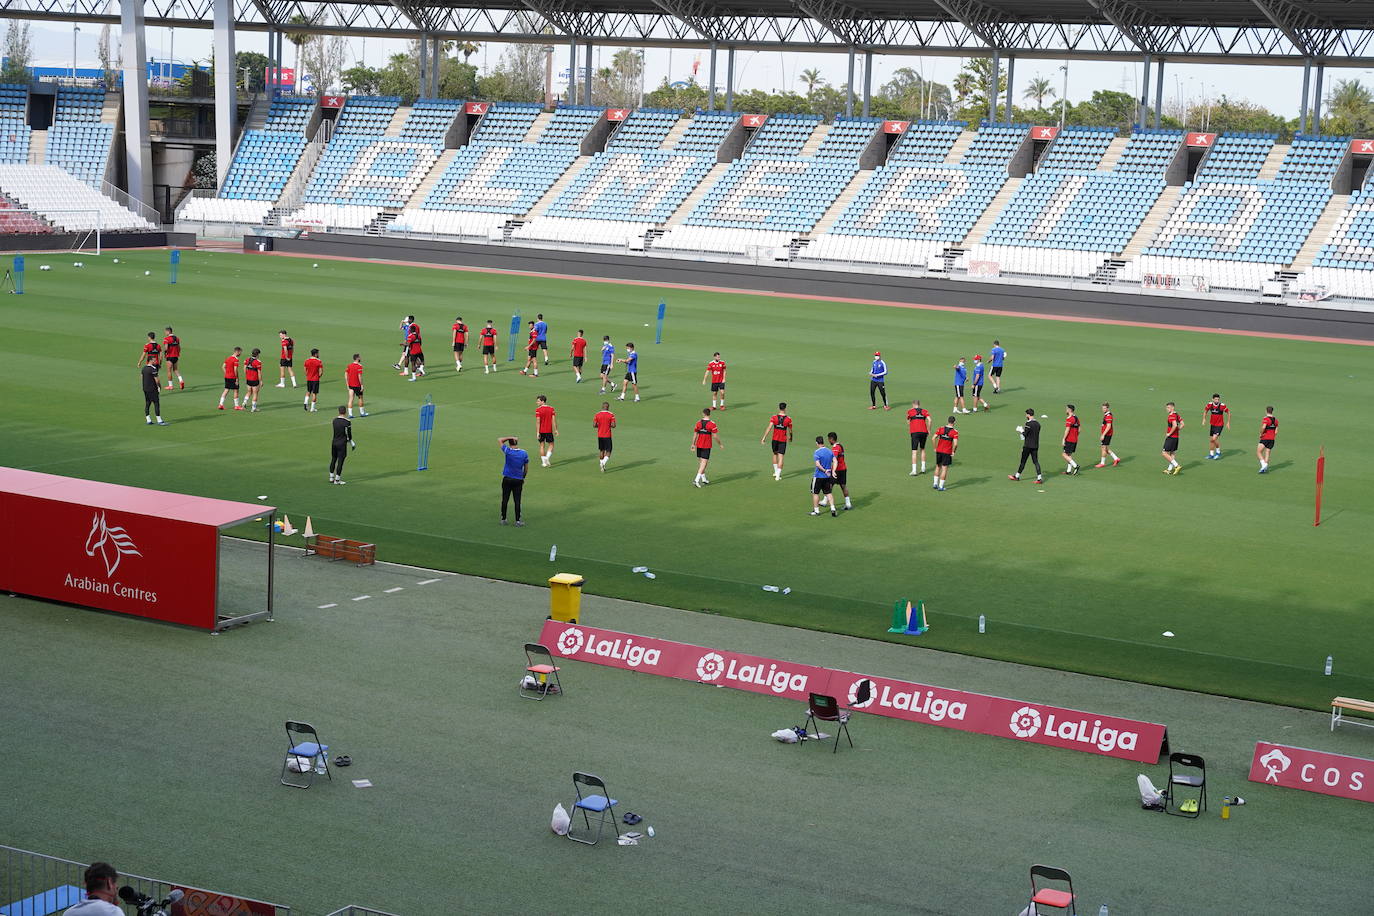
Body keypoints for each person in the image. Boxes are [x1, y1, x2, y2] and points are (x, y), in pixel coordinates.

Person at [498, 435, 528, 525]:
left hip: (507, 478)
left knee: (505, 499)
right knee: (517, 500)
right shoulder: (524, 453)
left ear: (510, 443)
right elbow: (526, 468)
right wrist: (523, 477)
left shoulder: (508, 451)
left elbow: (500, 440)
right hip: (518, 479)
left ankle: (503, 519)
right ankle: (518, 521)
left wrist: (510, 437)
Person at [761, 402, 793, 481]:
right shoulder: (788, 419)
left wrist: (764, 438)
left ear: (779, 408)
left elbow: (769, 428)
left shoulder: (774, 417)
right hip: (782, 440)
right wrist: (791, 437)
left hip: (774, 439)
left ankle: (775, 472)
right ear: (785, 408)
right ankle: (778, 476)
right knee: (781, 456)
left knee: (775, 454)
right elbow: (790, 430)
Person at [1008, 409, 1042, 482]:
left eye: (1026, 414)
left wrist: (1020, 430)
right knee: (1036, 461)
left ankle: (1017, 476)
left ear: (1028, 415)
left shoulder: (1028, 424)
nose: (1026, 416)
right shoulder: (1038, 424)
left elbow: (1025, 435)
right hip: (1035, 445)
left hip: (1027, 446)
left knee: (1023, 461)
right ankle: (1039, 478)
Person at [691, 408, 721, 487]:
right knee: (704, 463)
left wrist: (693, 444)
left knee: (702, 463)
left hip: (699, 445)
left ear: (703, 414)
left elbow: (695, 434)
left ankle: (704, 479)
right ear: (709, 414)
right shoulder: (712, 424)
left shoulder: (698, 423)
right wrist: (720, 444)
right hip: (706, 445)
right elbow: (715, 436)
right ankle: (696, 480)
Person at [809, 436, 838, 517]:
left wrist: (824, 470)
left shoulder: (817, 452)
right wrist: (833, 471)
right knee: (828, 493)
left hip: (818, 476)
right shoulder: (829, 451)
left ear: (816, 443)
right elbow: (835, 461)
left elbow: (817, 464)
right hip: (827, 477)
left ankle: (816, 511)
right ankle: (833, 508)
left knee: (815, 493)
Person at [932, 415, 958, 491]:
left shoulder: (941, 429)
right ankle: (941, 487)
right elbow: (955, 444)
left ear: (948, 421)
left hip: (939, 451)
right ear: (954, 422)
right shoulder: (955, 432)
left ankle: (935, 484)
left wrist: (935, 448)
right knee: (944, 469)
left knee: (937, 467)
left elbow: (933, 438)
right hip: (947, 452)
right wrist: (953, 451)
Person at [827, 432, 852, 510]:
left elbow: (834, 458)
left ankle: (825, 501)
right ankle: (848, 503)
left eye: (829, 439)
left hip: (836, 470)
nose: (828, 441)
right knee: (843, 486)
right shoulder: (840, 445)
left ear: (831, 439)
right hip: (843, 468)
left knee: (829, 485)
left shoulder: (835, 447)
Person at [329, 406, 353, 484]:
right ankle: (337, 480)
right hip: (342, 443)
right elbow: (349, 434)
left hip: (334, 442)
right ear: (345, 412)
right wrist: (350, 440)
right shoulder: (347, 422)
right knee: (340, 461)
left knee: (333, 459)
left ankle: (331, 477)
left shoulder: (334, 420)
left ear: (339, 411)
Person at [907, 399, 930, 475]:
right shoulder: (924, 411)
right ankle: (923, 468)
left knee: (914, 451)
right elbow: (930, 420)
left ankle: (914, 470)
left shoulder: (910, 411)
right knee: (922, 449)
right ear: (919, 404)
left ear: (913, 404)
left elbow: (908, 421)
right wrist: (928, 430)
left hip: (915, 432)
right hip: (924, 432)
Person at [1204, 393, 1231, 459]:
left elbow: (1229, 413)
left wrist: (1228, 422)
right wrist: (1204, 419)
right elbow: (1205, 411)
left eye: (1218, 399)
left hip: (1219, 425)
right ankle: (1211, 454)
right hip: (1212, 424)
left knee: (1214, 439)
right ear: (1213, 399)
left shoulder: (1222, 406)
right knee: (1211, 440)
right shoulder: (1209, 404)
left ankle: (1218, 452)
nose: (1217, 401)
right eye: (1215, 399)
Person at [535, 394, 558, 466]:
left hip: (541, 431)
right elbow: (554, 420)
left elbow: (538, 422)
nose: (537, 402)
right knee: (551, 445)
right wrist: (556, 430)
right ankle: (547, 458)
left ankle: (544, 462)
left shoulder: (538, 410)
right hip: (549, 430)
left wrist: (537, 432)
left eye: (538, 401)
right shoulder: (551, 409)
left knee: (542, 446)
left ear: (542, 401)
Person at [1095, 402, 1120, 468]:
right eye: (1102, 408)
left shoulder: (1108, 416)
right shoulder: (1106, 415)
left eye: (1104, 408)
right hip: (1107, 434)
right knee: (1105, 448)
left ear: (1108, 408)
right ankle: (1116, 458)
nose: (1103, 409)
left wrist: (1103, 435)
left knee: (1103, 448)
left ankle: (1102, 463)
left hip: (1107, 434)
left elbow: (1108, 426)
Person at [593, 401, 616, 471]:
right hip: (607, 436)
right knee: (609, 451)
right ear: (608, 407)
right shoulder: (611, 415)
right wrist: (609, 425)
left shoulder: (597, 414)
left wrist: (599, 425)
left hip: (600, 436)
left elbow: (594, 425)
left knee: (601, 451)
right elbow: (614, 425)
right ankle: (603, 463)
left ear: (602, 407)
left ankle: (602, 466)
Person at [1162, 401, 1183, 475]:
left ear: (1172, 407)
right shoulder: (1176, 415)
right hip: (1176, 437)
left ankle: (1177, 465)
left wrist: (1169, 433)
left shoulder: (1171, 416)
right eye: (1166, 407)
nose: (1166, 409)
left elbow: (1174, 425)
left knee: (1164, 453)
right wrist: (1176, 431)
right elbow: (1182, 424)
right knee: (1172, 453)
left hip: (1171, 437)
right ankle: (1169, 470)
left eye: (1168, 407)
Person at [218, 346, 241, 411]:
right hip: (233, 377)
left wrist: (227, 373)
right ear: (237, 352)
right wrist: (236, 379)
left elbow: (223, 367)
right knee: (236, 391)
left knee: (226, 390)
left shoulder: (228, 358)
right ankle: (236, 406)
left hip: (227, 377)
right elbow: (235, 370)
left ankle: (220, 404)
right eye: (240, 352)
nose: (240, 354)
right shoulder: (236, 360)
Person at [1061, 404, 1081, 475]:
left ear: (1069, 410)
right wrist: (1075, 435)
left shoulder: (1069, 419)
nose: (1066, 410)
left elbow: (1067, 430)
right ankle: (1068, 471)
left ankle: (1076, 466)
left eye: (1066, 409)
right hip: (1075, 439)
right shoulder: (1076, 418)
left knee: (1064, 454)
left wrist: (1064, 439)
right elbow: (1079, 429)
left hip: (1069, 439)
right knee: (1069, 455)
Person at [162, 326, 184, 390]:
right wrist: (177, 353)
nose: (165, 333)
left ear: (168, 331)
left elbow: (166, 348)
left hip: (169, 357)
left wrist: (165, 353)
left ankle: (170, 386)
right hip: (176, 356)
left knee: (169, 371)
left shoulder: (166, 339)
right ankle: (181, 380)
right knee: (175, 370)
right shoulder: (177, 338)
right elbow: (179, 348)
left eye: (165, 331)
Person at [345, 353, 367, 417]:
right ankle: (362, 413)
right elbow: (359, 376)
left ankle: (350, 414)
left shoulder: (349, 365)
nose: (360, 358)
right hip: (357, 385)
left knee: (350, 399)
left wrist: (347, 384)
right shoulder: (359, 366)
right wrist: (362, 385)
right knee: (360, 398)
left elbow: (346, 375)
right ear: (357, 358)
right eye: (360, 357)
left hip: (351, 385)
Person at [243, 347, 264, 412]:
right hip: (255, 380)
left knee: (249, 392)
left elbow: (244, 369)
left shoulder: (247, 359)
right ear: (257, 354)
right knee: (255, 393)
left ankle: (244, 403)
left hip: (248, 379)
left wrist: (247, 375)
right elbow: (259, 373)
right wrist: (261, 381)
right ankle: (253, 408)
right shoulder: (258, 362)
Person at [1257, 406, 1277, 473]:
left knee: (1258, 452)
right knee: (1267, 452)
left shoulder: (1266, 419)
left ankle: (1264, 465)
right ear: (1272, 411)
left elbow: (1263, 427)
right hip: (1272, 438)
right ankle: (1265, 468)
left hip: (1265, 437)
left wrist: (1261, 433)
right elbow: (1276, 431)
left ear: (1266, 411)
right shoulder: (1276, 420)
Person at [303, 348, 323, 412]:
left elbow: (305, 369)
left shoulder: (307, 360)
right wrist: (318, 377)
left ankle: (305, 402)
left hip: (309, 379)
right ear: (315, 354)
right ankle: (312, 408)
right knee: (314, 393)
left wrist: (307, 375)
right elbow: (321, 371)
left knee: (308, 391)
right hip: (315, 379)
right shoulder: (318, 361)